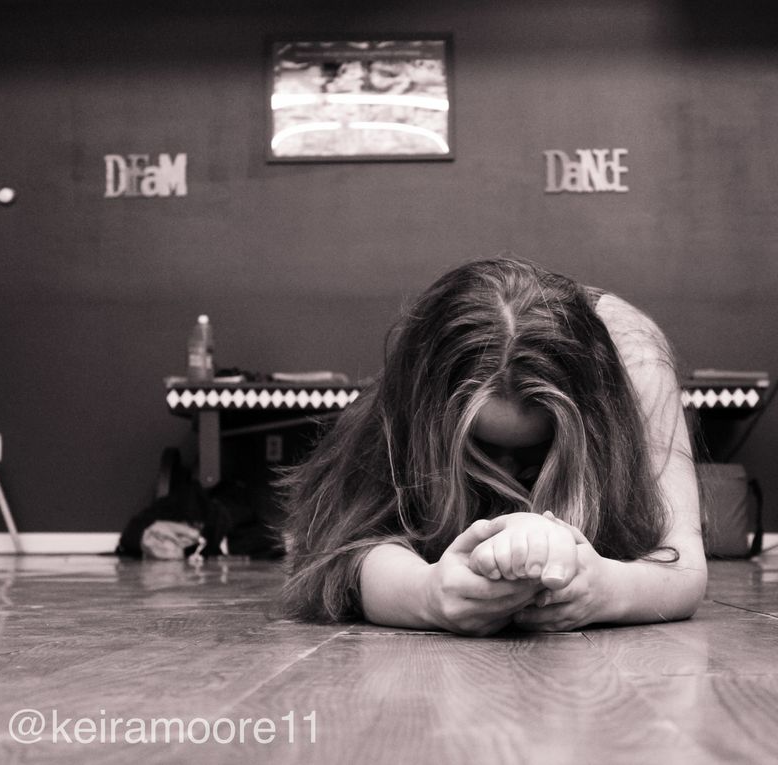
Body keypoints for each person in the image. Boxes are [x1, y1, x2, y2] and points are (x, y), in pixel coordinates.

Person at [278, 257, 706, 635]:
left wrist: (606, 590)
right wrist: (428, 595)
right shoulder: (417, 384)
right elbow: (341, 553)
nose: (510, 474)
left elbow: (683, 569)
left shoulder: (637, 360)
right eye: (482, 450)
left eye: (536, 451)